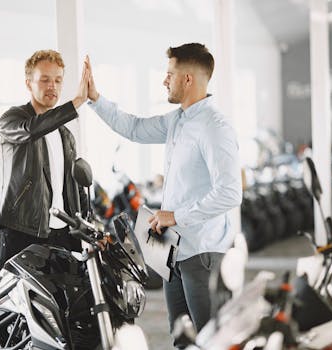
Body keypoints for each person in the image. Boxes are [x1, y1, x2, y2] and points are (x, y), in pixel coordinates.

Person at [85, 43, 242, 343]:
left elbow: (230, 192)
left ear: (187, 79)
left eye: (169, 74)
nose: (164, 80)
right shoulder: (177, 121)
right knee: (181, 337)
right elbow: (134, 127)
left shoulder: (214, 127)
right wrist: (95, 99)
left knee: (212, 340)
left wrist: (176, 215)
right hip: (174, 253)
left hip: (202, 253)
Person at [0, 49, 89, 271]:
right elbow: (31, 130)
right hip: (23, 229)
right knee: (14, 301)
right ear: (29, 83)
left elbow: (73, 184)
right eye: (45, 80)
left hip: (62, 233)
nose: (52, 86)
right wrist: (76, 102)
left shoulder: (65, 134)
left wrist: (87, 223)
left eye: (58, 80)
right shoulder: (12, 120)